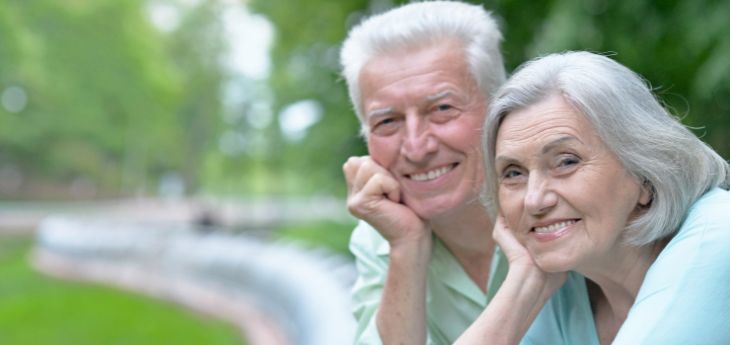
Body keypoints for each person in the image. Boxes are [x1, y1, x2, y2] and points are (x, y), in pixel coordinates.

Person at [460, 51, 730, 344]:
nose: (534, 200)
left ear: (644, 174)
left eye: (566, 162)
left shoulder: (718, 239)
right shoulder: (560, 277)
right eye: (513, 173)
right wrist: (524, 284)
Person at [338, 1, 508, 344]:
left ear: (500, 109)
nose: (416, 148)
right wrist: (406, 246)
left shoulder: (562, 203)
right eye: (387, 121)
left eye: (442, 109)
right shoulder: (379, 236)